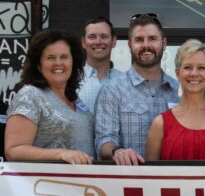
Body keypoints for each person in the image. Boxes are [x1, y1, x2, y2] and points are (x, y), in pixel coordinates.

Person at [95, 13, 179, 165]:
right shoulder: (112, 89)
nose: (146, 45)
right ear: (129, 45)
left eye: (152, 39)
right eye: (139, 40)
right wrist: (118, 151)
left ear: (164, 43)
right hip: (129, 182)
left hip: (173, 182)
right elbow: (104, 140)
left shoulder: (179, 91)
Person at [5, 30, 94, 163]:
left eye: (64, 57)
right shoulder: (30, 95)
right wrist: (61, 154)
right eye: (50, 57)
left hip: (83, 182)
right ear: (39, 65)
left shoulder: (75, 99)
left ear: (73, 62)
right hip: (46, 181)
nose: (58, 63)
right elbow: (13, 150)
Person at [147, 39, 205, 160]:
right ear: (178, 73)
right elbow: (152, 176)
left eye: (201, 68)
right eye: (188, 67)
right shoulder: (160, 124)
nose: (194, 73)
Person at [78, 17, 121, 112]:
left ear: (113, 41)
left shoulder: (125, 81)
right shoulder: (70, 80)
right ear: (83, 42)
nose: (98, 42)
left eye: (104, 36)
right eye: (92, 37)